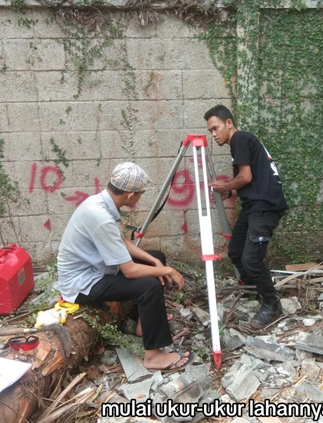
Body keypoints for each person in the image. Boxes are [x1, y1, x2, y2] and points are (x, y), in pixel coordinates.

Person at [57, 162, 194, 372]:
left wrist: (156, 262)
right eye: (140, 194)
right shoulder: (100, 216)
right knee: (149, 285)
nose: (140, 198)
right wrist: (168, 271)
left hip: (96, 268)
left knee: (156, 257)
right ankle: (154, 356)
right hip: (82, 283)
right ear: (130, 195)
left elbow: (120, 241)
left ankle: (143, 323)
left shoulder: (100, 202)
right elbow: (130, 271)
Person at [205, 105, 288, 329]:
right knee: (236, 252)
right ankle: (257, 290)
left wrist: (225, 185)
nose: (213, 134)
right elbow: (251, 181)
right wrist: (230, 192)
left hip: (264, 207)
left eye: (216, 128)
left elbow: (245, 176)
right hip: (254, 205)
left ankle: (272, 303)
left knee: (251, 260)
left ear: (229, 123)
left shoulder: (239, 138)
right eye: (210, 130)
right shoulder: (242, 142)